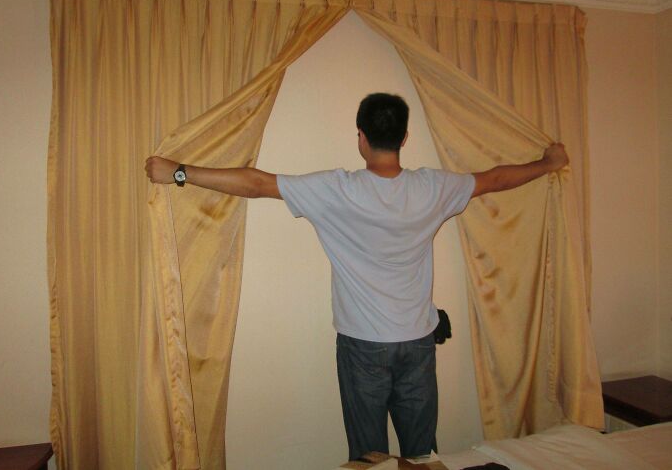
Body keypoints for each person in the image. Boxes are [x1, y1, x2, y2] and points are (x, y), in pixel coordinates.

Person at [145, 93, 569, 461]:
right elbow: (496, 179)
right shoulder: (432, 188)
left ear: (360, 137)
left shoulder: (338, 190)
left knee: (369, 457)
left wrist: (178, 172)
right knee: (423, 454)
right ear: (404, 138)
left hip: (363, 346)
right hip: (418, 342)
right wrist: (548, 164)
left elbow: (256, 184)